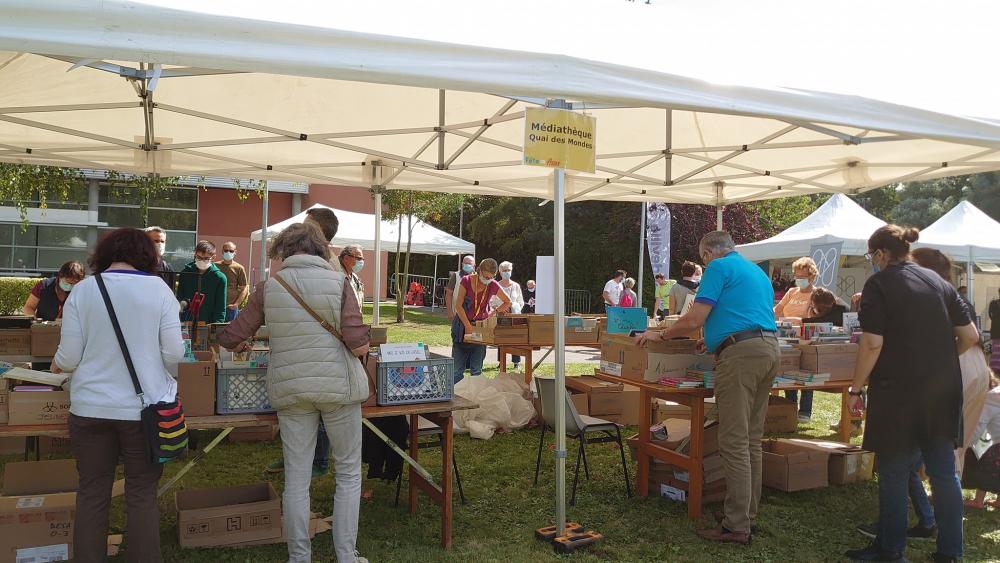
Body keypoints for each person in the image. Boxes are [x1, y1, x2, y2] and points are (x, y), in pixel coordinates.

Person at [219, 223, 370, 563]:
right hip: (338, 389)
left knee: (297, 478)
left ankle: (298, 557)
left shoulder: (269, 287)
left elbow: (230, 337)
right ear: (320, 249)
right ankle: (346, 555)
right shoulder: (339, 282)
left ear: (284, 250)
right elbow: (359, 342)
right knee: (347, 472)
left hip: (290, 390)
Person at [844, 225, 979, 563]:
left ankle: (891, 549)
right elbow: (970, 335)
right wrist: (941, 360)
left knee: (893, 470)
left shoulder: (880, 283)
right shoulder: (940, 283)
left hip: (898, 392)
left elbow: (872, 343)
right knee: (943, 473)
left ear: (880, 254)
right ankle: (950, 551)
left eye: (870, 256)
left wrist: (855, 387)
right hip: (943, 389)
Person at [52, 228, 185, 563]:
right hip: (144, 409)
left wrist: (56, 364)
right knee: (142, 493)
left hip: (90, 407)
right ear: (148, 255)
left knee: (92, 493)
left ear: (105, 254)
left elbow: (67, 358)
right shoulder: (160, 291)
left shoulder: (83, 291)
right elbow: (174, 354)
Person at [639, 231, 778, 545]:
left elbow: (694, 318)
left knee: (733, 440)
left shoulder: (718, 268)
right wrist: (714, 339)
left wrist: (660, 334)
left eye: (703, 258)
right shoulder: (754, 269)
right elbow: (744, 314)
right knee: (751, 440)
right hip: (767, 349)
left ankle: (736, 525)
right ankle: (746, 513)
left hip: (741, 356)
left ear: (708, 254)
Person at [911, 248, 991, 470]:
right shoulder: (955, 294)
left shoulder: (934, 296)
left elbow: (966, 336)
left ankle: (944, 493)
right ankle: (950, 493)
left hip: (959, 361)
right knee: (959, 440)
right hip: (977, 364)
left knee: (946, 440)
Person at [773, 257, 819, 421]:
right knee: (788, 372)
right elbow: (777, 310)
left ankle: (805, 411)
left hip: (806, 340)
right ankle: (790, 407)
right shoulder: (791, 292)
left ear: (812, 276)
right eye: (797, 276)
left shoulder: (817, 294)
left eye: (803, 277)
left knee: (806, 373)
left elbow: (817, 318)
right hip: (786, 340)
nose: (799, 279)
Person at [452, 258, 511, 383]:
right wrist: (467, 326)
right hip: (462, 326)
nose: (487, 280)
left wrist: (493, 312)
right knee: (456, 371)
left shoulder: (493, 284)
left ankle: (475, 399)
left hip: (480, 327)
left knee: (477, 370)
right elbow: (458, 306)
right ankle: (455, 397)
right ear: (479, 270)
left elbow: (507, 302)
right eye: (485, 276)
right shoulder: (466, 280)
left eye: (491, 277)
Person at [962, 375, 1000, 510]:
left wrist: (965, 444)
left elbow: (979, 425)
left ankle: (978, 501)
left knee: (986, 462)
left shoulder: (990, 398)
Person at [177, 241, 228, 324]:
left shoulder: (220, 278)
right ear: (195, 254)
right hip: (186, 322)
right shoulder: (185, 273)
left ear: (213, 257)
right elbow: (179, 296)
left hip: (208, 323)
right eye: (199, 257)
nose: (202, 261)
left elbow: (220, 307)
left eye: (206, 258)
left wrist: (216, 326)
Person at [494, 261, 524, 370]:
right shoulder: (496, 285)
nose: (507, 272)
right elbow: (492, 301)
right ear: (500, 272)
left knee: (515, 338)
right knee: (501, 338)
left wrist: (514, 307)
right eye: (504, 271)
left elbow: (521, 302)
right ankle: (501, 361)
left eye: (508, 270)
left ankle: (516, 362)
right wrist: (501, 308)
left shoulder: (516, 286)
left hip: (514, 316)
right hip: (501, 316)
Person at [215, 241, 248, 322]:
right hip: (216, 307)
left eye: (231, 251)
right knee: (214, 332)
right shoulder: (214, 266)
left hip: (231, 309)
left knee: (231, 332)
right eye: (226, 250)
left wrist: (236, 304)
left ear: (235, 252)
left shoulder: (239, 268)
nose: (228, 252)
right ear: (222, 251)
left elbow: (244, 288)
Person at [446, 255, 476, 320]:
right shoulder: (456, 276)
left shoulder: (478, 278)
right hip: (457, 314)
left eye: (469, 263)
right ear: (462, 264)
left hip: (473, 315)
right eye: (465, 263)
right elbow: (448, 294)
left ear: (474, 265)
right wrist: (449, 312)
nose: (467, 265)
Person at [990, 288, 1000, 373]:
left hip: (996, 331)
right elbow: (991, 315)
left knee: (996, 352)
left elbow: (991, 315)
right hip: (996, 332)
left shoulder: (993, 303)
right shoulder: (994, 303)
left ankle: (995, 370)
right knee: (996, 351)